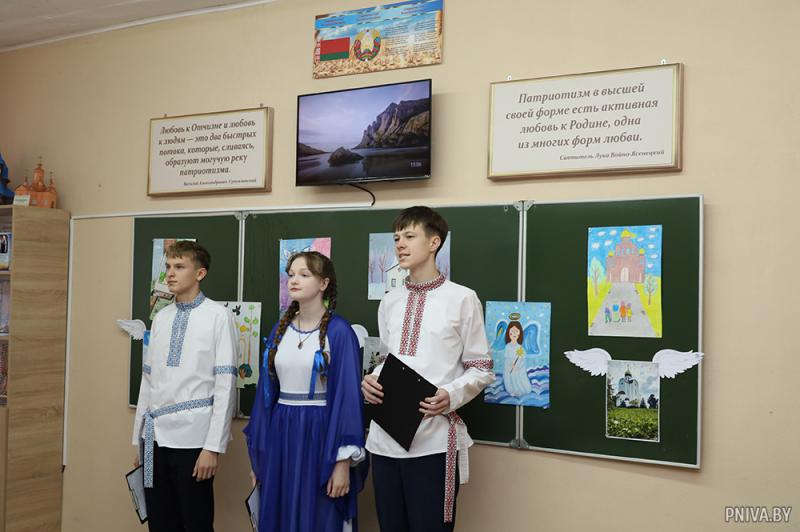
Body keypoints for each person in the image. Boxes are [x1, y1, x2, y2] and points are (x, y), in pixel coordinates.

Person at [361, 206, 494, 531]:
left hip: (433, 441)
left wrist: (450, 395)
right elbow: (390, 359)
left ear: (434, 242)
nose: (400, 244)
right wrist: (372, 380)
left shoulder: (462, 299)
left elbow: (481, 368)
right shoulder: (390, 300)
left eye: (409, 236)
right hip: (384, 440)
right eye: (396, 238)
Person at [244, 251, 367, 532]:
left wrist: (342, 462)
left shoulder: (339, 332)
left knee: (319, 516)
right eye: (290, 275)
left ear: (323, 283)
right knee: (282, 513)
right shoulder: (279, 330)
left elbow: (348, 399)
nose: (293, 280)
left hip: (321, 436)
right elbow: (265, 396)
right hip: (281, 433)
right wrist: (260, 458)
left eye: (304, 274)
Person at [132, 241, 237, 532]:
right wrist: (139, 439)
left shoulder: (219, 316)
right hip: (153, 439)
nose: (170, 273)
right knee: (159, 520)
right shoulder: (161, 318)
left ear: (200, 273)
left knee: (195, 521)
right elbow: (148, 381)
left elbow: (226, 385)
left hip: (194, 439)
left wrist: (213, 447)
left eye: (179, 267)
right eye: (168, 266)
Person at [502, 321, 531, 398]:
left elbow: (522, 359)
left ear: (519, 333)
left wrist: (518, 366)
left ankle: (521, 389)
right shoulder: (507, 346)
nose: (514, 333)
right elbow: (506, 358)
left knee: (519, 377)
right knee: (510, 376)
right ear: (509, 333)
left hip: (518, 368)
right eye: (512, 331)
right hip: (509, 367)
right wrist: (510, 365)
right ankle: (511, 390)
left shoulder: (520, 348)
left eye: (516, 331)